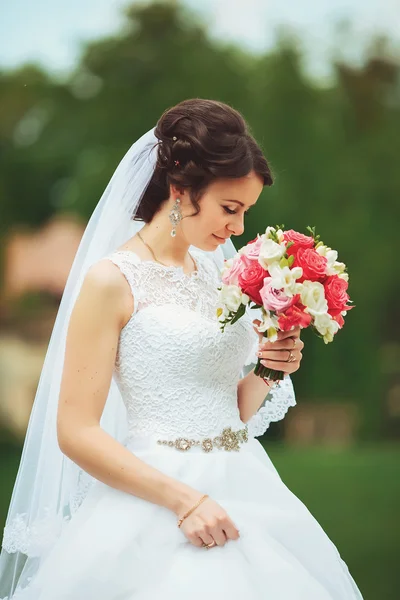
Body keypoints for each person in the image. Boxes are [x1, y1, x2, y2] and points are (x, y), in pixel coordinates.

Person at [0, 99, 364, 599]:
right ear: (179, 190)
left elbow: (227, 405)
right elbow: (76, 431)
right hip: (158, 494)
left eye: (245, 212)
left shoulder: (219, 275)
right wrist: (186, 502)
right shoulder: (112, 280)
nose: (238, 229)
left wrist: (268, 370)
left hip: (244, 479)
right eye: (229, 209)